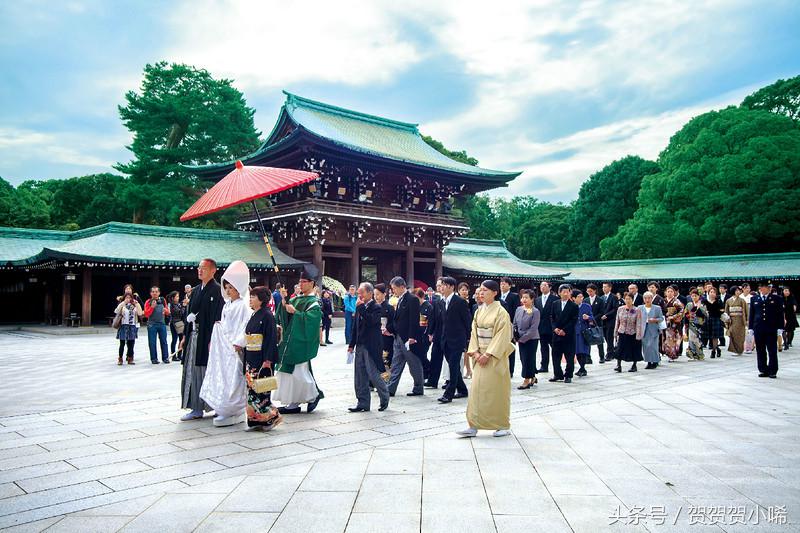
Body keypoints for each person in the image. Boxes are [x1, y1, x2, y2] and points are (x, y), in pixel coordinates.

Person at [458, 280, 514, 438]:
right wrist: (475, 353)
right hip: (479, 355)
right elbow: (473, 333)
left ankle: (502, 424)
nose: (481, 293)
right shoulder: (478, 311)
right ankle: (473, 424)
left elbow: (502, 336)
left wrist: (488, 354)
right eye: (480, 290)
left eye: (485, 290)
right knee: (476, 391)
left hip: (494, 357)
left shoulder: (501, 312)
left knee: (496, 391)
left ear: (495, 293)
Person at [200, 261, 250, 427]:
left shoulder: (243, 306)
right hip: (223, 346)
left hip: (234, 347)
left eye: (232, 287)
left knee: (234, 377)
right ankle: (224, 407)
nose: (228, 290)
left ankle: (234, 409)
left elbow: (245, 326)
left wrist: (239, 342)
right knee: (223, 375)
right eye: (226, 287)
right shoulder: (227, 304)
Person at [274, 264, 325, 413]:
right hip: (290, 340)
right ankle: (293, 402)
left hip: (300, 342)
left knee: (299, 373)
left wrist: (295, 312)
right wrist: (284, 304)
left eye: (304, 282)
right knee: (289, 372)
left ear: (312, 284)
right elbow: (282, 318)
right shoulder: (296, 299)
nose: (300, 284)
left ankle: (312, 396)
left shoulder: (313, 303)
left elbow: (312, 321)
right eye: (299, 282)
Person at [180, 258, 225, 421]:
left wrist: (214, 339)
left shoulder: (218, 290)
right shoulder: (196, 290)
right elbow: (189, 315)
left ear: (213, 271)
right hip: (194, 336)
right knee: (193, 371)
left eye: (204, 268)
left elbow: (219, 318)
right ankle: (196, 408)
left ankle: (216, 406)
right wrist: (185, 335)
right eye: (199, 268)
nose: (200, 271)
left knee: (209, 372)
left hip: (209, 338)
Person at [242, 286, 283, 430]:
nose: (250, 299)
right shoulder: (254, 314)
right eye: (251, 296)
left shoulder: (267, 315)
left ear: (262, 299)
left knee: (262, 390)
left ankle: (270, 418)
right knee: (252, 390)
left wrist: (268, 360)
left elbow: (271, 339)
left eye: (253, 297)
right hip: (251, 356)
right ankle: (255, 419)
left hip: (262, 358)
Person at [347, 282, 390, 412]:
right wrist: (351, 345)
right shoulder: (360, 307)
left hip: (371, 345)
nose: (359, 295)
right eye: (358, 293)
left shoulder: (376, 307)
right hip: (360, 345)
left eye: (362, 293)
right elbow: (355, 327)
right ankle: (362, 402)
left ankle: (384, 397)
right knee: (359, 375)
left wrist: (360, 309)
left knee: (373, 374)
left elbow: (372, 321)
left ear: (370, 293)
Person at [386, 276, 425, 397]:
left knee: (414, 364)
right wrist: (390, 330)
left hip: (408, 338)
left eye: (394, 288)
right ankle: (391, 388)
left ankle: (418, 387)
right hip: (398, 337)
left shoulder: (412, 299)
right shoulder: (400, 299)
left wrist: (412, 337)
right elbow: (398, 320)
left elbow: (414, 320)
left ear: (402, 287)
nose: (393, 291)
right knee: (396, 363)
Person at [437, 277, 472, 403]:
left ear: (451, 287)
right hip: (445, 340)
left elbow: (467, 322)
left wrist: (469, 339)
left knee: (453, 366)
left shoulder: (460, 302)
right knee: (454, 366)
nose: (441, 288)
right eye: (440, 285)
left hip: (458, 340)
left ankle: (449, 393)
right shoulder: (441, 302)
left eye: (444, 285)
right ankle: (462, 390)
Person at [749, 281, 783, 378]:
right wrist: (751, 327)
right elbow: (752, 314)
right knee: (760, 349)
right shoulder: (754, 299)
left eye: (768, 287)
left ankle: (773, 370)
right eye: (764, 287)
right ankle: (763, 369)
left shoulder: (777, 299)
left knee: (772, 350)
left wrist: (780, 327)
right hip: (758, 328)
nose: (767, 289)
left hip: (771, 328)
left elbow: (780, 314)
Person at [549, 284, 579, 383]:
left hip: (568, 334)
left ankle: (568, 374)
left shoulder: (574, 305)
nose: (566, 294)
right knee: (555, 355)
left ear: (570, 293)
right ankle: (557, 374)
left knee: (569, 356)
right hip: (556, 334)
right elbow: (552, 318)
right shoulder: (555, 303)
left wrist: (564, 330)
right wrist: (555, 329)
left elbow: (573, 320)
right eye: (563, 292)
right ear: (559, 293)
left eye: (568, 292)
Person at [513, 289, 540, 388]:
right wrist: (515, 335)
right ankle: (532, 376)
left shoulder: (535, 311)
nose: (524, 299)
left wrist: (523, 338)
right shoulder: (519, 309)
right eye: (523, 297)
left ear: (532, 299)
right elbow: (515, 323)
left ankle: (526, 380)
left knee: (528, 358)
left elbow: (533, 328)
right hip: (520, 338)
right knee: (523, 359)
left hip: (531, 339)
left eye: (526, 298)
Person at [614, 292, 645, 372]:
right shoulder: (620, 309)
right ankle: (618, 365)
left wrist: (638, 335)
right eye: (626, 299)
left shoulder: (637, 310)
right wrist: (615, 332)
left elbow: (638, 323)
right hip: (622, 331)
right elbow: (617, 321)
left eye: (629, 299)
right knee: (620, 348)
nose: (627, 301)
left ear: (632, 300)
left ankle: (634, 365)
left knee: (634, 349)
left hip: (632, 332)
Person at [425, 279, 446, 389]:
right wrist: (430, 332)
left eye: (441, 285)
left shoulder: (448, 300)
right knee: (435, 357)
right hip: (438, 334)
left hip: (448, 335)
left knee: (450, 361)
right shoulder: (437, 301)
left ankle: (451, 381)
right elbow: (432, 319)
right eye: (437, 286)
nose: (439, 288)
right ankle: (432, 380)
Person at [535, 281, 559, 373]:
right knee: (543, 348)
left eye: (544, 285)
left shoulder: (555, 299)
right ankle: (544, 366)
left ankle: (557, 366)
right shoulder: (537, 299)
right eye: (541, 285)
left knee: (555, 348)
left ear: (550, 287)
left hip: (552, 327)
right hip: (541, 327)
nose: (542, 287)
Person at [498, 277, 520, 376]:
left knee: (510, 347)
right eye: (501, 283)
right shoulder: (497, 297)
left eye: (505, 284)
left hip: (509, 324)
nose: (502, 285)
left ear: (509, 286)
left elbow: (516, 311)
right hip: (498, 325)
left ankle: (510, 370)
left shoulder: (514, 296)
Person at [144, 286, 171, 364]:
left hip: (162, 324)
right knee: (152, 342)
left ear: (159, 293)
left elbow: (167, 312)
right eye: (153, 292)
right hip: (152, 325)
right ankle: (154, 359)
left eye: (156, 291)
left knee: (164, 341)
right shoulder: (148, 301)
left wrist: (166, 311)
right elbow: (146, 314)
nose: (155, 293)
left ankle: (165, 358)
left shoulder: (163, 300)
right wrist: (152, 307)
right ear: (150, 293)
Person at [114, 294, 142, 365]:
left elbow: (140, 313)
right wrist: (123, 302)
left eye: (130, 297)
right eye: (127, 297)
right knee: (122, 343)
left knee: (131, 343)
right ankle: (120, 358)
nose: (128, 299)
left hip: (132, 326)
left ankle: (130, 358)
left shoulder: (134, 305)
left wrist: (137, 304)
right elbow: (116, 311)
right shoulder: (122, 305)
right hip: (123, 325)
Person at [411, 288, 433, 379]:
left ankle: (428, 371)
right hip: (417, 334)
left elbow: (431, 321)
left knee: (423, 354)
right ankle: (426, 372)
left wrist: (430, 334)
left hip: (425, 333)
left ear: (421, 297)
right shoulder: (414, 306)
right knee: (419, 355)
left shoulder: (428, 306)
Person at [639, 292, 664, 369]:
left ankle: (655, 361)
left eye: (649, 298)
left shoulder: (657, 308)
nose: (647, 300)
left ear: (652, 298)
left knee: (653, 346)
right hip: (644, 329)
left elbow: (661, 318)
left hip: (653, 328)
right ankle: (649, 362)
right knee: (646, 346)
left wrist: (655, 319)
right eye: (645, 298)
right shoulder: (640, 307)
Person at [573, 289, 595, 377]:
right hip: (575, 331)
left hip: (584, 331)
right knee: (577, 351)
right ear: (574, 298)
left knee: (584, 350)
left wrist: (588, 317)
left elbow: (592, 318)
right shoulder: (571, 306)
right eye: (578, 297)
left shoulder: (587, 306)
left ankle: (582, 367)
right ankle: (582, 368)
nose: (581, 298)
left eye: (582, 297)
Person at [374, 283, 394, 376]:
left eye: (378, 294)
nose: (376, 297)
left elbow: (394, 322)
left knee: (385, 360)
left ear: (384, 294)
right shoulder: (372, 307)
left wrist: (387, 329)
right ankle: (372, 382)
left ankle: (385, 381)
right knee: (373, 360)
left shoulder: (389, 308)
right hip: (374, 337)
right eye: (374, 294)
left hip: (385, 338)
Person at [662, 285, 685, 361]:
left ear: (674, 293)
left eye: (671, 291)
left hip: (674, 323)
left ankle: (673, 355)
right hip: (665, 322)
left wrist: (673, 316)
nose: (670, 293)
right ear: (665, 292)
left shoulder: (676, 301)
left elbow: (682, 311)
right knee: (666, 338)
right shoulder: (663, 301)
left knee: (673, 339)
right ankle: (668, 353)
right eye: (668, 291)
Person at [724, 285, 748, 355]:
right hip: (732, 320)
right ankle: (734, 349)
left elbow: (746, 310)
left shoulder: (742, 300)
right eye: (736, 290)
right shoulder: (728, 301)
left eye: (739, 291)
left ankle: (739, 350)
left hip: (740, 319)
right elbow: (726, 311)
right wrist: (726, 319)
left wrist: (746, 319)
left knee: (740, 335)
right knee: (731, 334)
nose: (738, 292)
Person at [600, 283, 621, 362]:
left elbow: (615, 309)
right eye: (603, 287)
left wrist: (607, 315)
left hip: (610, 320)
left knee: (609, 337)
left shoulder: (614, 297)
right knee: (605, 337)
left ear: (610, 288)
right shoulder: (601, 297)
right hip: (603, 320)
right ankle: (610, 352)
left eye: (605, 287)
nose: (604, 288)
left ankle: (610, 353)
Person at [684, 289, 707, 360]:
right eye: (692, 296)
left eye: (695, 296)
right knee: (691, 338)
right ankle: (693, 353)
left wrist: (698, 308)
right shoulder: (689, 304)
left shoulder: (702, 305)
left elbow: (705, 314)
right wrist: (687, 319)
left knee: (698, 339)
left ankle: (699, 354)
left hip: (699, 324)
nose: (694, 297)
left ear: (699, 296)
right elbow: (685, 314)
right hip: (691, 323)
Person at [458, 282, 473, 379]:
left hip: (469, 327)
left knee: (467, 351)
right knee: (464, 351)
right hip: (460, 328)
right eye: (462, 289)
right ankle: (468, 370)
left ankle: (468, 370)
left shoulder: (471, 302)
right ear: (458, 291)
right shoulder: (456, 301)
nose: (464, 291)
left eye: (466, 290)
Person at [703, 287, 724, 358]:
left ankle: (713, 351)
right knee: (710, 336)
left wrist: (717, 311)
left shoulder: (718, 301)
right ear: (708, 293)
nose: (712, 294)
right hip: (708, 320)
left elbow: (722, 310)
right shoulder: (705, 301)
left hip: (716, 319)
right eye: (711, 292)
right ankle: (717, 349)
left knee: (715, 337)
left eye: (714, 292)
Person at [586, 284, 604, 363]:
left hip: (597, 322)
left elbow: (601, 312)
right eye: (588, 291)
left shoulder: (600, 300)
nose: (589, 293)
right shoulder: (585, 300)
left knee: (599, 340)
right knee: (587, 340)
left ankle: (602, 357)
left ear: (595, 291)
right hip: (587, 323)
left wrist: (592, 319)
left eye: (591, 291)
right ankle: (588, 357)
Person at [167, 291, 185, 361]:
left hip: (179, 322)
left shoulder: (178, 304)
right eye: (177, 296)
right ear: (173, 298)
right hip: (175, 323)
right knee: (174, 339)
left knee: (181, 339)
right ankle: (174, 355)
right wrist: (183, 306)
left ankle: (179, 354)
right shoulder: (172, 305)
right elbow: (180, 312)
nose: (178, 298)